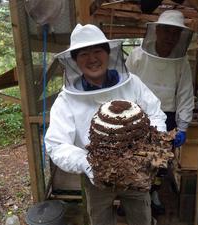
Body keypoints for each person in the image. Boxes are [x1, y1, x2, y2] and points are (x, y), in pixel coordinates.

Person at [45, 23, 168, 225]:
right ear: (74, 60)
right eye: (83, 54)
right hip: (96, 177)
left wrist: (152, 147)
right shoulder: (66, 100)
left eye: (97, 51)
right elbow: (56, 144)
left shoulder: (133, 83)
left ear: (108, 53)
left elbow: (155, 114)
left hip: (136, 171)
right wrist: (88, 163)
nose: (92, 59)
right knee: (99, 219)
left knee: (141, 218)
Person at [125, 10, 195, 215]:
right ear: (157, 32)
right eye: (166, 31)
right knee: (136, 159)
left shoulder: (182, 62)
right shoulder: (137, 56)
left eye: (175, 33)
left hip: (167, 118)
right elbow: (125, 88)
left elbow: (185, 94)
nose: (170, 37)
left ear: (180, 37)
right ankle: (134, 198)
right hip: (138, 116)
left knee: (160, 163)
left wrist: (182, 126)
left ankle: (153, 193)